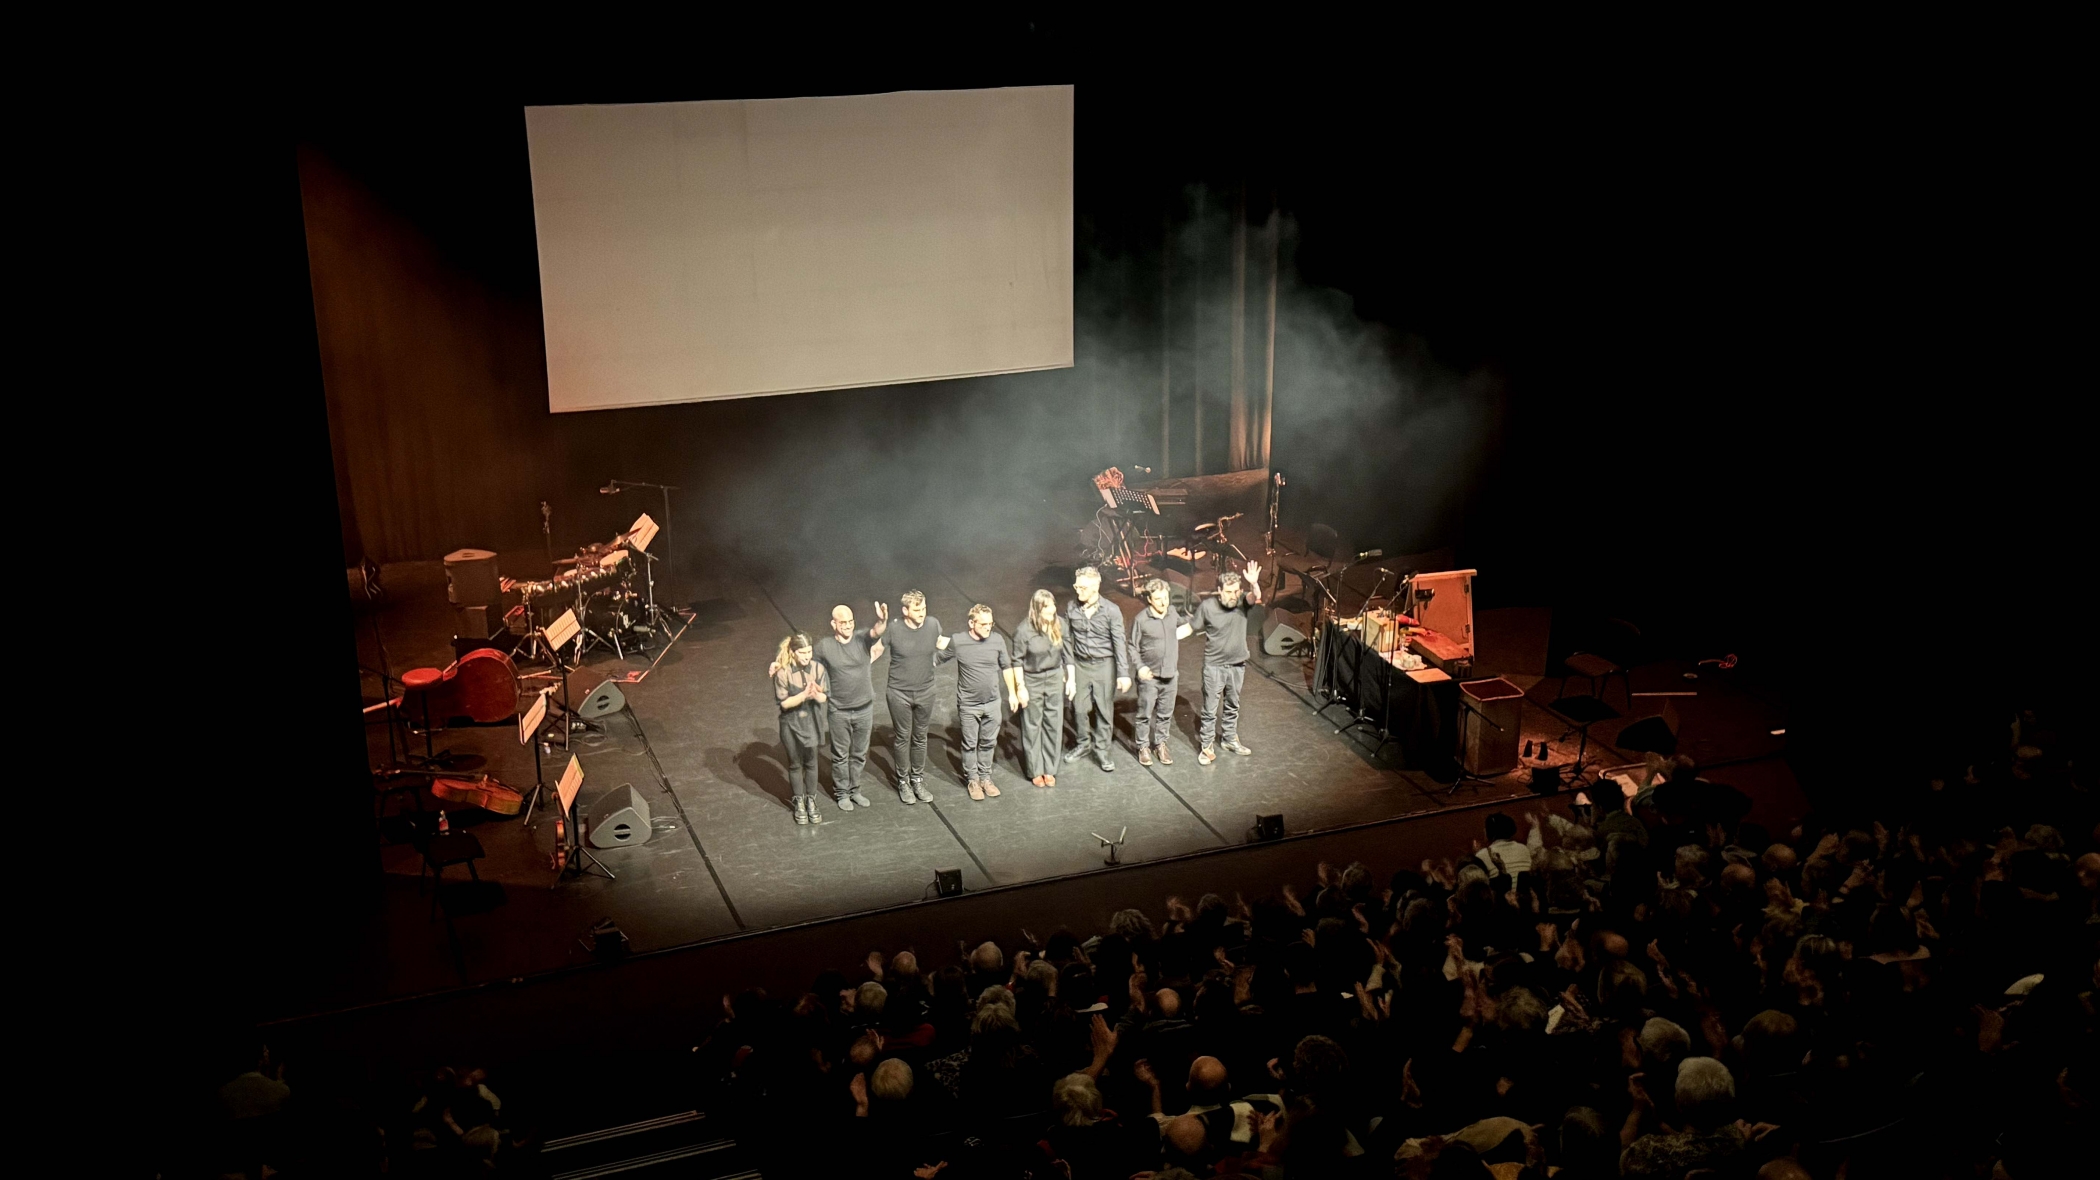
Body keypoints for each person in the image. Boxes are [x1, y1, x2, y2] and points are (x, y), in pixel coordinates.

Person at [817, 602, 887, 811]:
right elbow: (805, 662)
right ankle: (842, 793)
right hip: (839, 711)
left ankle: (854, 789)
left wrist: (883, 619)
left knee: (859, 753)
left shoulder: (861, 639)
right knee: (840, 755)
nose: (847, 626)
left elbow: (877, 631)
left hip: (864, 709)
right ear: (833, 623)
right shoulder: (825, 646)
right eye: (842, 622)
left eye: (850, 622)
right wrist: (780, 665)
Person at [1062, 566, 1130, 772]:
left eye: (1082, 587)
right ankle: (1083, 744)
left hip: (1104, 665)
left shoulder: (1111, 611)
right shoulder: (1072, 608)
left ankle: (1102, 751)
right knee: (1079, 708)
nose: (1078, 591)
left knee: (1103, 710)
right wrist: (1068, 669)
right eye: (1076, 586)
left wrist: (1124, 673)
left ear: (1095, 587)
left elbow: (1119, 642)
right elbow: (1067, 640)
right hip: (1081, 664)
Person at [883, 590, 949, 804]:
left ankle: (917, 779)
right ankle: (903, 781)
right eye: (917, 609)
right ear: (905, 611)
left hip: (926, 691)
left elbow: (943, 645)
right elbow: (873, 650)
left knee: (920, 736)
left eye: (924, 608)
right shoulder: (893, 628)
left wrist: (937, 660)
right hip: (899, 692)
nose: (922, 613)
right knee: (903, 736)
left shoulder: (933, 624)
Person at [1192, 563, 1260, 766]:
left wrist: (1254, 583)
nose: (1233, 595)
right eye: (1228, 591)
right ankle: (1206, 745)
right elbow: (1191, 627)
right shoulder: (1207, 607)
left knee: (1232, 705)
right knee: (1210, 709)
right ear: (1219, 591)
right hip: (1214, 666)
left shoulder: (1242, 602)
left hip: (1237, 664)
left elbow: (1254, 596)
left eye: (1236, 591)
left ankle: (1229, 739)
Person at [948, 604, 1015, 801]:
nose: (988, 627)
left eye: (990, 624)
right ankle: (973, 779)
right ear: (972, 623)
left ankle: (985, 777)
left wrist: (1012, 693)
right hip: (969, 705)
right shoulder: (959, 641)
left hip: (992, 703)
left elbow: (1006, 666)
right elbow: (937, 658)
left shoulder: (997, 640)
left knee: (988, 742)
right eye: (983, 624)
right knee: (970, 743)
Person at [1128, 578, 1192, 767]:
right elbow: (1132, 646)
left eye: (1166, 597)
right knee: (1145, 713)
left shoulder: (1172, 612)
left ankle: (1160, 744)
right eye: (1158, 599)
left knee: (1165, 713)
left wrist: (1193, 623)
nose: (1163, 602)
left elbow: (1185, 623)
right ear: (1149, 600)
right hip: (1150, 678)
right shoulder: (1141, 620)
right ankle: (1143, 746)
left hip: (1171, 675)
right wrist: (1140, 667)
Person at [1011, 590, 1072, 786]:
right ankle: (1035, 769)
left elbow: (1068, 654)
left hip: (1054, 677)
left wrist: (1071, 680)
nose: (1052, 611)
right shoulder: (1024, 630)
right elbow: (1017, 661)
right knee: (1032, 724)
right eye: (1047, 608)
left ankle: (1049, 768)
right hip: (1032, 678)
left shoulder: (1060, 624)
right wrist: (1020, 688)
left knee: (1054, 723)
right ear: (1037, 610)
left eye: (1053, 606)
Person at [770, 633, 829, 825]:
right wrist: (804, 694)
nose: (806, 656)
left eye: (809, 651)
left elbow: (824, 697)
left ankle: (811, 800)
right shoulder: (783, 673)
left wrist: (817, 693)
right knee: (795, 763)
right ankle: (799, 801)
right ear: (793, 652)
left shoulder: (818, 668)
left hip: (811, 721)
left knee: (812, 762)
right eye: (802, 652)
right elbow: (785, 703)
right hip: (791, 723)